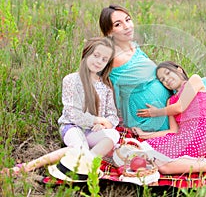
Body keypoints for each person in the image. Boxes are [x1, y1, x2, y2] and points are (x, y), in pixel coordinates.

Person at [99, 4, 206, 148]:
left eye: (128, 20)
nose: (127, 26)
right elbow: (96, 82)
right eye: (118, 24)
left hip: (169, 103)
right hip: (153, 118)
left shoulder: (133, 47)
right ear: (109, 32)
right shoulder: (112, 58)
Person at [1, 37, 120, 175]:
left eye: (104, 59)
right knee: (77, 150)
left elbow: (112, 115)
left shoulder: (106, 86)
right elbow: (72, 114)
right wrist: (97, 120)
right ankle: (25, 167)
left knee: (113, 134)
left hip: (93, 131)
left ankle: (86, 162)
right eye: (96, 55)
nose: (99, 61)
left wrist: (106, 124)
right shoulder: (71, 80)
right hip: (73, 127)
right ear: (86, 53)